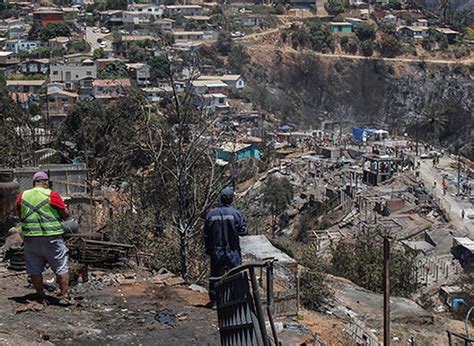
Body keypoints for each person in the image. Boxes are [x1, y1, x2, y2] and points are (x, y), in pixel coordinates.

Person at [17, 171, 72, 305]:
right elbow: (65, 215)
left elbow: (19, 214)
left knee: (34, 268)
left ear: (34, 182)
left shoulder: (23, 195)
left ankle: (40, 295)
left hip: (31, 238)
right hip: (51, 238)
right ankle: (64, 296)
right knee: (61, 266)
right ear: (46, 182)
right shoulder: (52, 195)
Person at [204, 187, 248, 308]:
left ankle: (215, 302)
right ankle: (236, 300)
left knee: (215, 276)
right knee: (236, 275)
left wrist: (208, 249)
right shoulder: (236, 214)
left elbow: (206, 234)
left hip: (216, 251)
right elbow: (243, 231)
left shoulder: (211, 214)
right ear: (231, 200)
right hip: (232, 251)